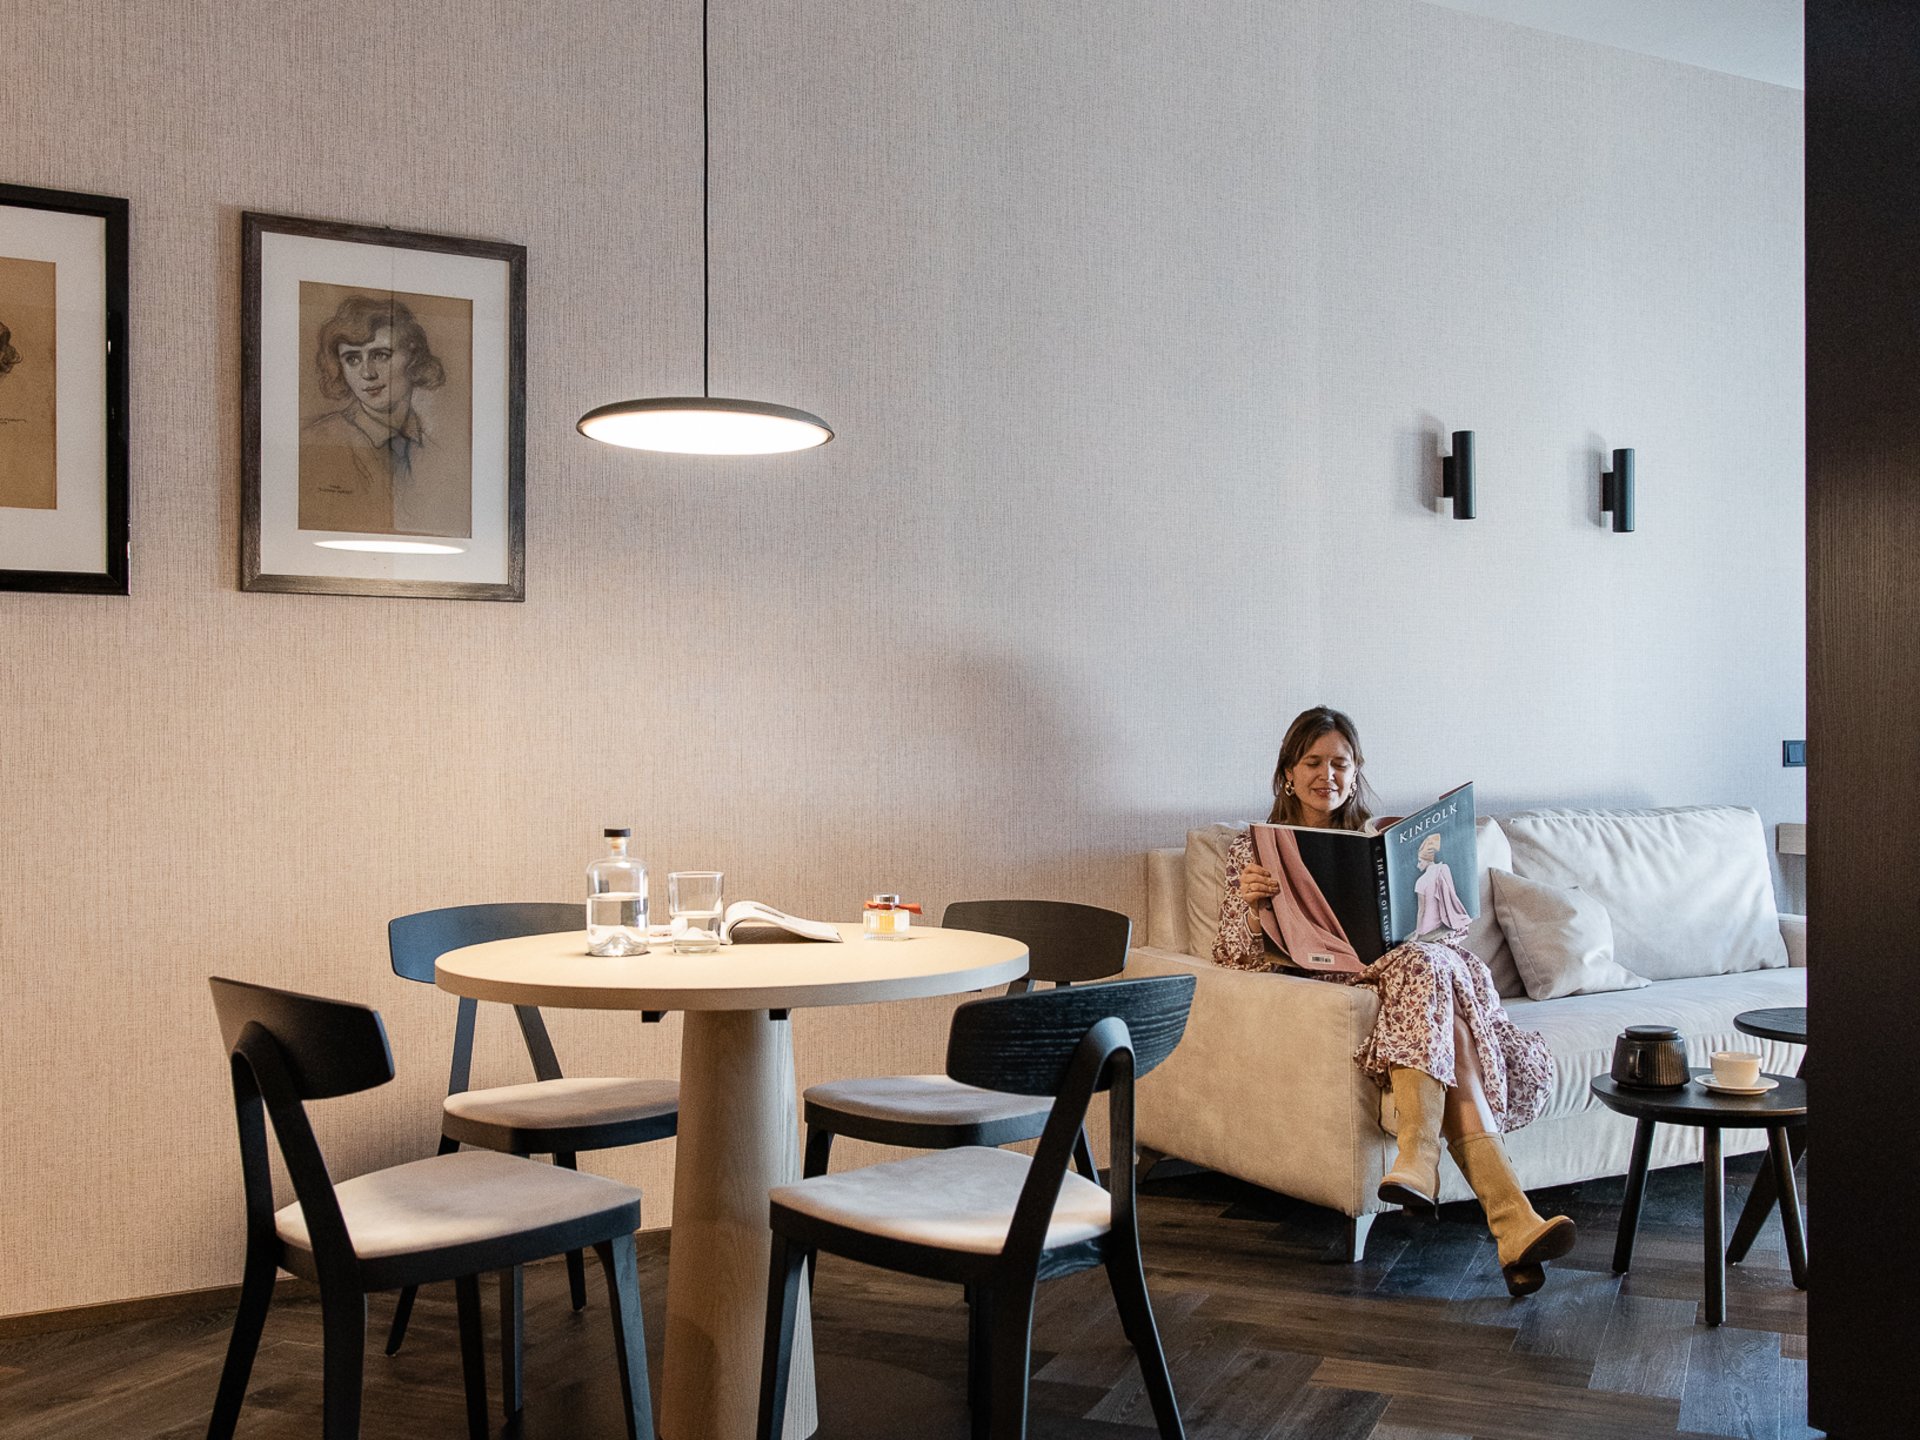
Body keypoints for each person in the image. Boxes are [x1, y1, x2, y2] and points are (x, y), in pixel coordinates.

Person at [1214, 705, 1573, 1295]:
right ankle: (1504, 1214)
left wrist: (1432, 898)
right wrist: (1252, 910)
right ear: (1287, 773)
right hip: (1334, 985)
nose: (1326, 775)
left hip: (1407, 976)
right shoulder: (1253, 852)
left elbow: (1445, 931)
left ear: (1356, 773)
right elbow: (1232, 962)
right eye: (1312, 762)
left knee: (1430, 965)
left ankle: (1440, 1176)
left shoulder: (1381, 837)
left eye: (1340, 763)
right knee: (1434, 980)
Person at [298, 294, 468, 537]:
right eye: (353, 359)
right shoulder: (317, 445)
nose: (367, 373)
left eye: (380, 355)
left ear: (413, 356)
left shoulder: (441, 451)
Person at [1413, 831, 1471, 939]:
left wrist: (1417, 933)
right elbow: (1451, 896)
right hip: (1442, 919)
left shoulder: (1421, 881)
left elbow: (1421, 910)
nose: (1417, 865)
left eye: (1420, 861)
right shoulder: (1444, 868)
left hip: (1428, 926)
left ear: (1426, 860)